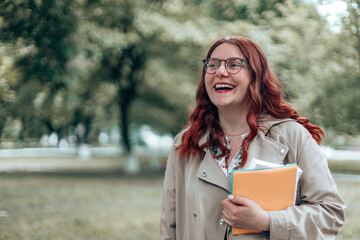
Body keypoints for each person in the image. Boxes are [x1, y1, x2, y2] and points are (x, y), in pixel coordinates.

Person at [160, 36, 345, 240]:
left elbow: (331, 215)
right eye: (212, 65)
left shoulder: (292, 136)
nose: (220, 72)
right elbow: (170, 228)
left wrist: (267, 221)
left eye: (234, 65)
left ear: (255, 76)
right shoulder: (186, 143)